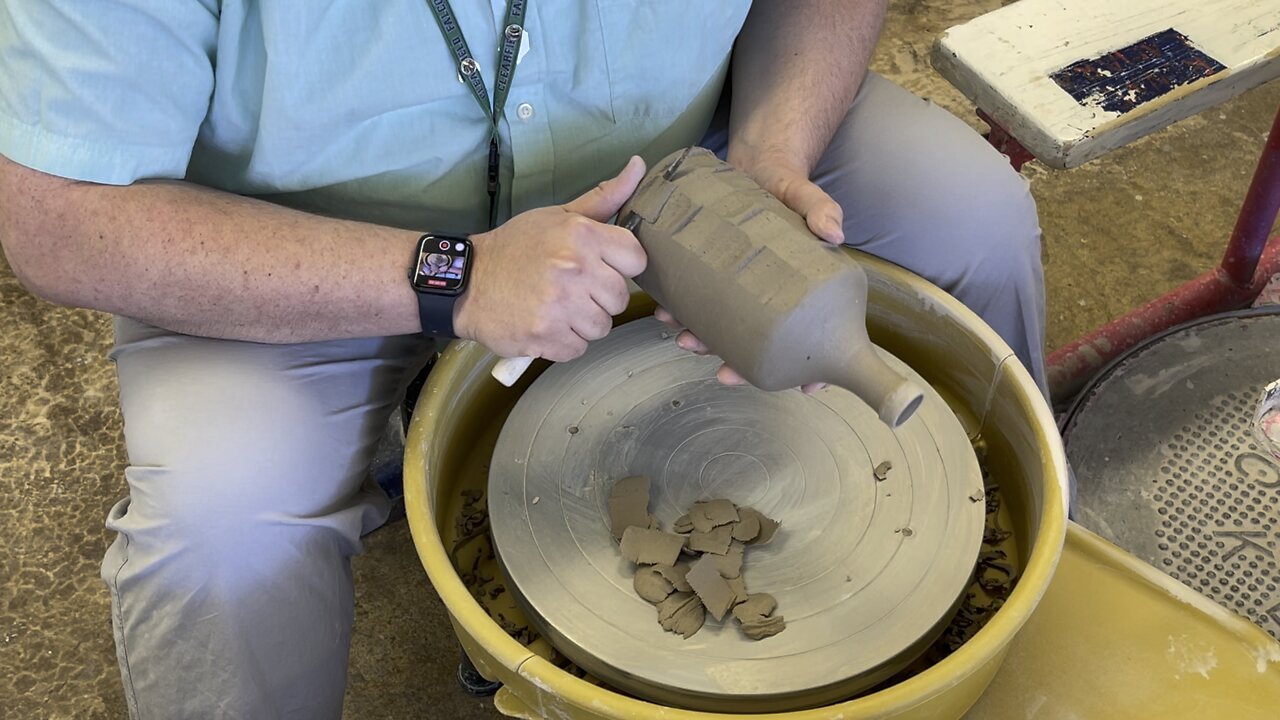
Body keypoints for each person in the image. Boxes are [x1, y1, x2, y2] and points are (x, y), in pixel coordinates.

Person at [0, 0, 1044, 717]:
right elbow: (58, 220)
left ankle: (1017, 600)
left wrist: (772, 155)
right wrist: (451, 277)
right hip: (299, 244)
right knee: (219, 545)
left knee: (973, 218)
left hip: (674, 163)